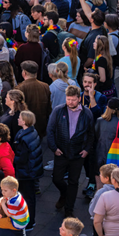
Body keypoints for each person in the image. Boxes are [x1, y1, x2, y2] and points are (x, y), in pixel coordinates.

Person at [47, 86, 94, 217]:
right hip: (61, 152)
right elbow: (50, 130)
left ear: (79, 98)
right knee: (56, 178)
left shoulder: (87, 113)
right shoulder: (58, 111)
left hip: (78, 154)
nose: (70, 102)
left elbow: (91, 134)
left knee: (74, 182)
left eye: (73, 100)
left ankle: (69, 209)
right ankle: (65, 194)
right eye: (68, 99)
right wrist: (54, 148)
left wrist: (86, 150)